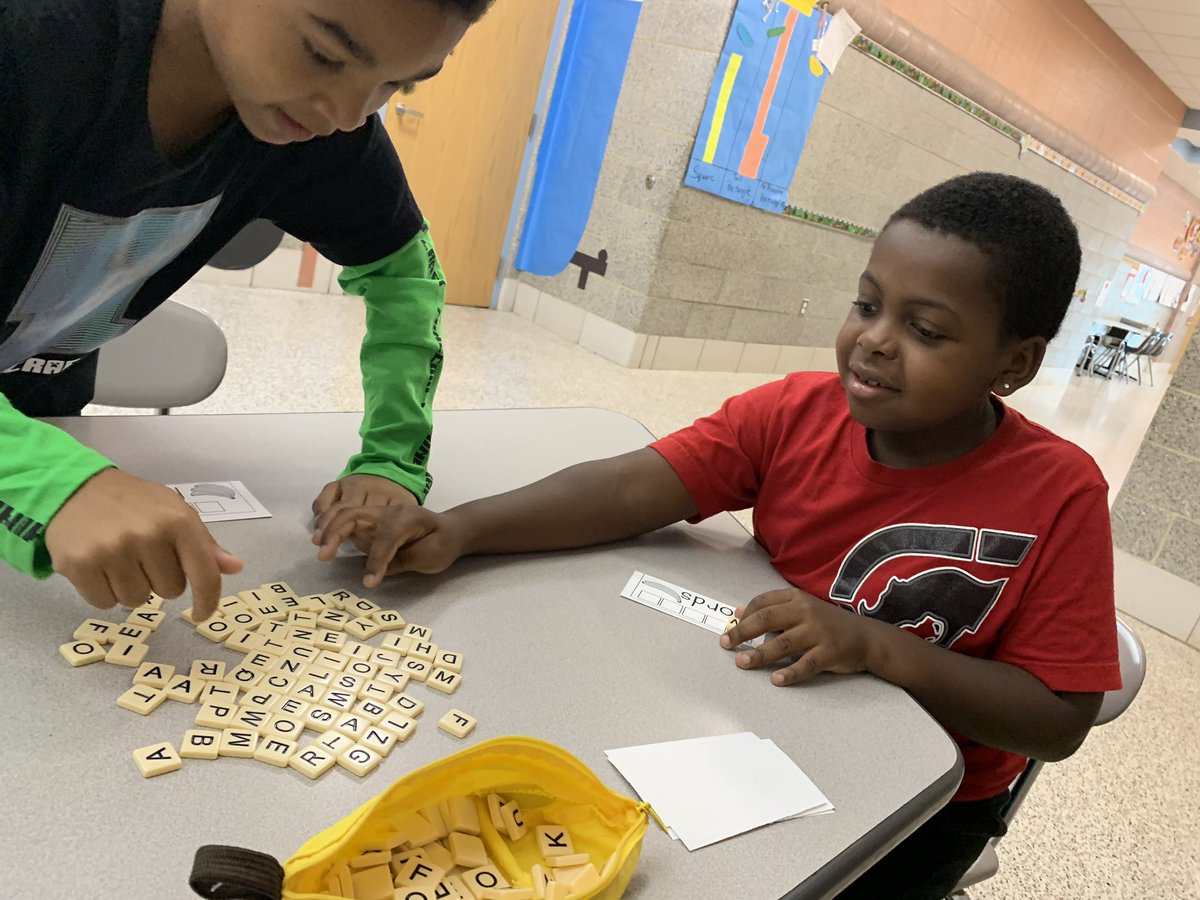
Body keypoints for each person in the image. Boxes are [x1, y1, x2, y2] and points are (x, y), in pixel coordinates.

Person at [313, 172, 1123, 898]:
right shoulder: (794, 413)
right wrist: (460, 529)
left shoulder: (1060, 492)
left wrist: (874, 646)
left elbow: (1056, 719)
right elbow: (634, 485)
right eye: (868, 305)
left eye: (927, 330)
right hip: (754, 725)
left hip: (923, 800)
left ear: (1012, 365)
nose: (875, 338)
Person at [0, 0, 491, 620]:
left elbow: (404, 273)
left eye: (397, 83)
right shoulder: (27, 50)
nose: (346, 115)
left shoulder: (317, 131)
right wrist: (46, 481)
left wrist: (393, 459)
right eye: (324, 53)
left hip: (42, 425)